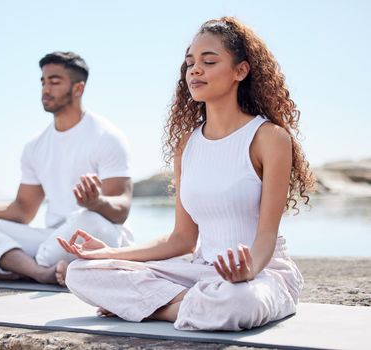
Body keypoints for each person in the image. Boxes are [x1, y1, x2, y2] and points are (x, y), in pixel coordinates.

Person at [58, 17, 316, 331]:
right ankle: (191, 305)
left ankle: (157, 307)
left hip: (260, 274)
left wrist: (247, 270)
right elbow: (182, 238)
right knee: (81, 271)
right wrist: (110, 252)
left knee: (238, 303)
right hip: (200, 272)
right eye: (190, 62)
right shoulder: (187, 144)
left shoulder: (269, 138)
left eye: (209, 61)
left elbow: (265, 237)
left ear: (241, 70)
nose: (194, 70)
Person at [0, 51, 133, 286]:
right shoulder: (35, 146)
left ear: (78, 89)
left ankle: (20, 268)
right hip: (52, 239)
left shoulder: (107, 136)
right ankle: (40, 272)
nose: (46, 89)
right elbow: (22, 211)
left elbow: (121, 210)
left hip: (99, 234)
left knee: (87, 218)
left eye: (55, 82)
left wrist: (95, 203)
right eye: (43, 82)